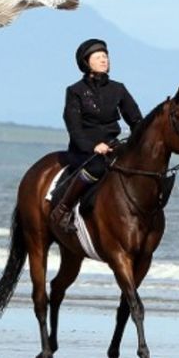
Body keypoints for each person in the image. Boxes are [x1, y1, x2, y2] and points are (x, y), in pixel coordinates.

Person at [50, 38, 143, 233]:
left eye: (105, 56)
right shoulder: (75, 91)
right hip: (86, 150)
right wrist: (93, 146)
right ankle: (63, 210)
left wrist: (140, 142)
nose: (104, 60)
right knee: (97, 166)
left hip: (112, 145)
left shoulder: (118, 88)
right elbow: (74, 127)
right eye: (98, 57)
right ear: (86, 62)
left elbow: (135, 119)